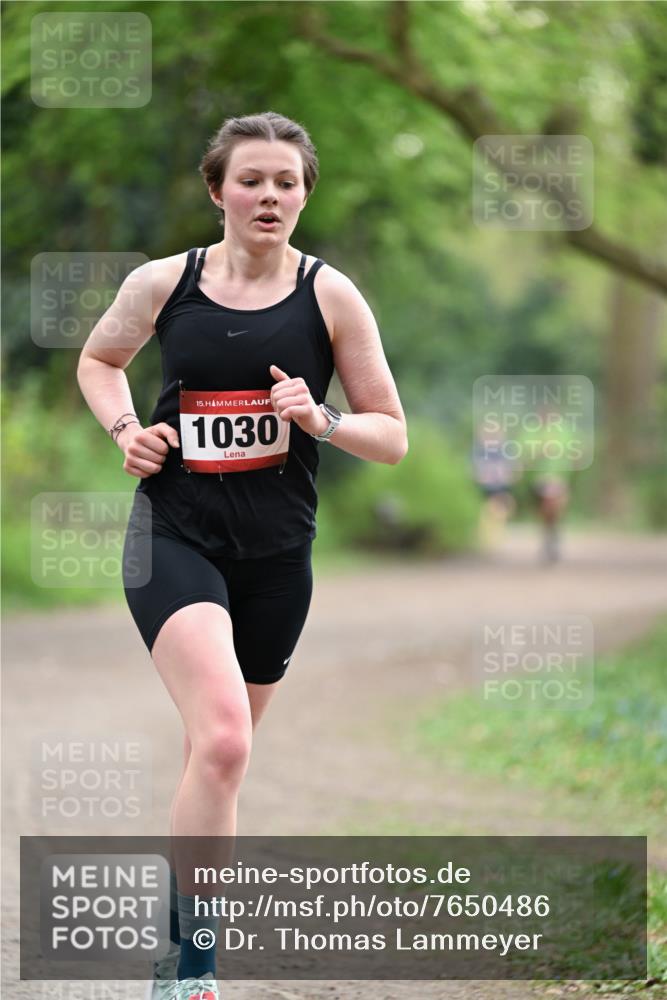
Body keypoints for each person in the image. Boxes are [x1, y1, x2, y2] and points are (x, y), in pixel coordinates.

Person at [76, 111, 408, 1000]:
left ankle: (173, 931)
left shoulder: (330, 295)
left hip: (276, 552)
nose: (270, 195)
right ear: (216, 190)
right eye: (252, 180)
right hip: (174, 532)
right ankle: (193, 968)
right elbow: (100, 361)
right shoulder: (162, 282)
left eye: (287, 182)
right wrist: (125, 431)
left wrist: (322, 419)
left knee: (216, 755)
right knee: (222, 739)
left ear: (304, 195)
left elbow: (391, 437)